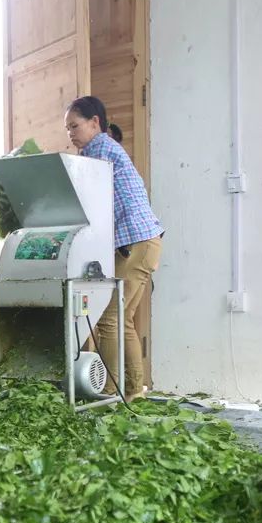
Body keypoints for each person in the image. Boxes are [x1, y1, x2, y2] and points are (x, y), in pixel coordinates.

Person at [65, 96, 163, 400]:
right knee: (123, 318)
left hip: (136, 241)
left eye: (75, 126)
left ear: (95, 122)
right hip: (143, 242)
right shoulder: (103, 150)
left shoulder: (99, 150)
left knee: (108, 316)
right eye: (67, 129)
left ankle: (109, 391)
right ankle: (134, 392)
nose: (71, 134)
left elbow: (83, 196)